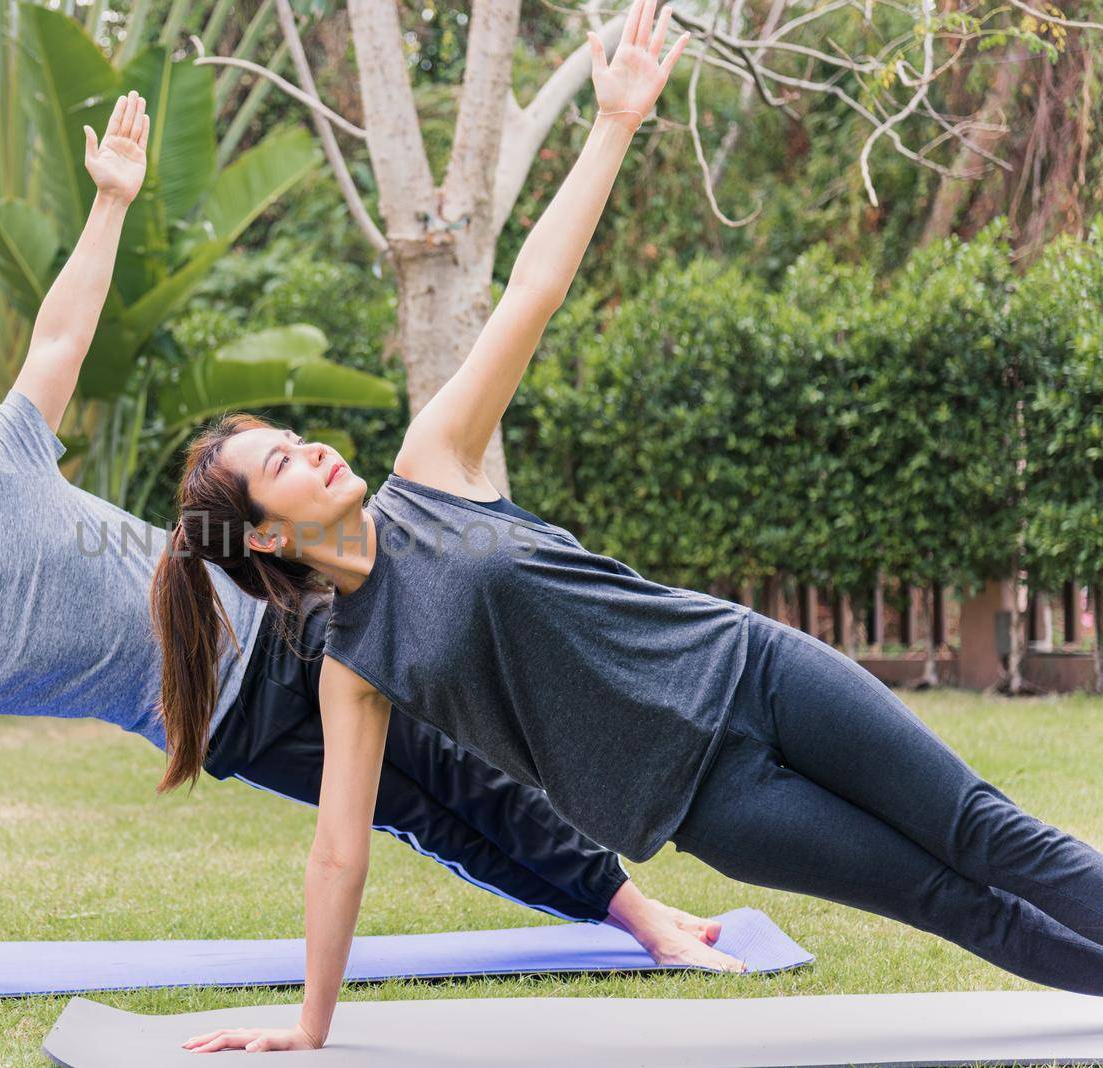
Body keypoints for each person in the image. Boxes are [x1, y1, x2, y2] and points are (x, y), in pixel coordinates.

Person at [155, 0, 1103, 1053]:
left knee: (987, 833)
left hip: (751, 671)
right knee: (946, 901)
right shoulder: (354, 665)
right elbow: (338, 851)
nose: (312, 449)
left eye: (293, 435)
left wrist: (611, 124)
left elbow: (533, 291)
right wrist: (309, 1027)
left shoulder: (428, 466)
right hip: (708, 799)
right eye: (279, 462)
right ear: (270, 538)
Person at [0, 89, 732, 991]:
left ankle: (646, 917)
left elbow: (58, 341)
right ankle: (630, 916)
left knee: (456, 761)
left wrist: (110, 203)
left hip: (275, 616)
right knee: (426, 818)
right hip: (235, 729)